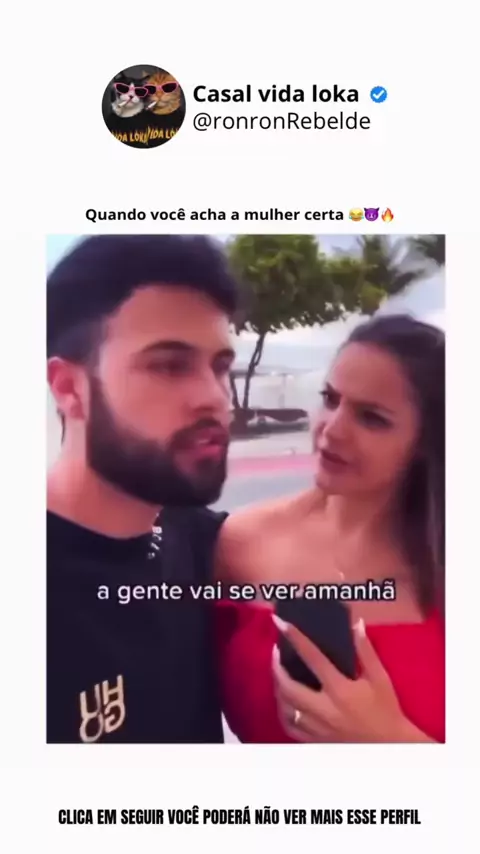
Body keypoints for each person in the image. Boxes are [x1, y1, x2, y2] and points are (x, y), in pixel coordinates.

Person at [47, 234, 241, 743]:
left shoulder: (203, 544)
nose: (215, 398)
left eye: (221, 367)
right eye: (169, 365)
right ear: (69, 388)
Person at [215, 315, 445, 743]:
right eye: (330, 399)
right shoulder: (239, 544)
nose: (332, 429)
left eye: (372, 418)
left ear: (426, 442)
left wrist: (390, 742)